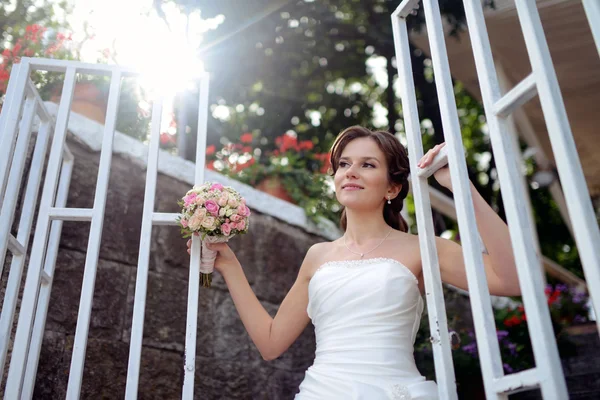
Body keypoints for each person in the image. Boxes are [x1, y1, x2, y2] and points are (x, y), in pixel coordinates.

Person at [187, 126, 520, 399]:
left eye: (368, 164)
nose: (351, 173)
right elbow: (272, 343)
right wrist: (229, 265)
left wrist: (459, 184)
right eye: (344, 164)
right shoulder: (318, 255)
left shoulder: (423, 249)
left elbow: (512, 280)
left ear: (392, 188)